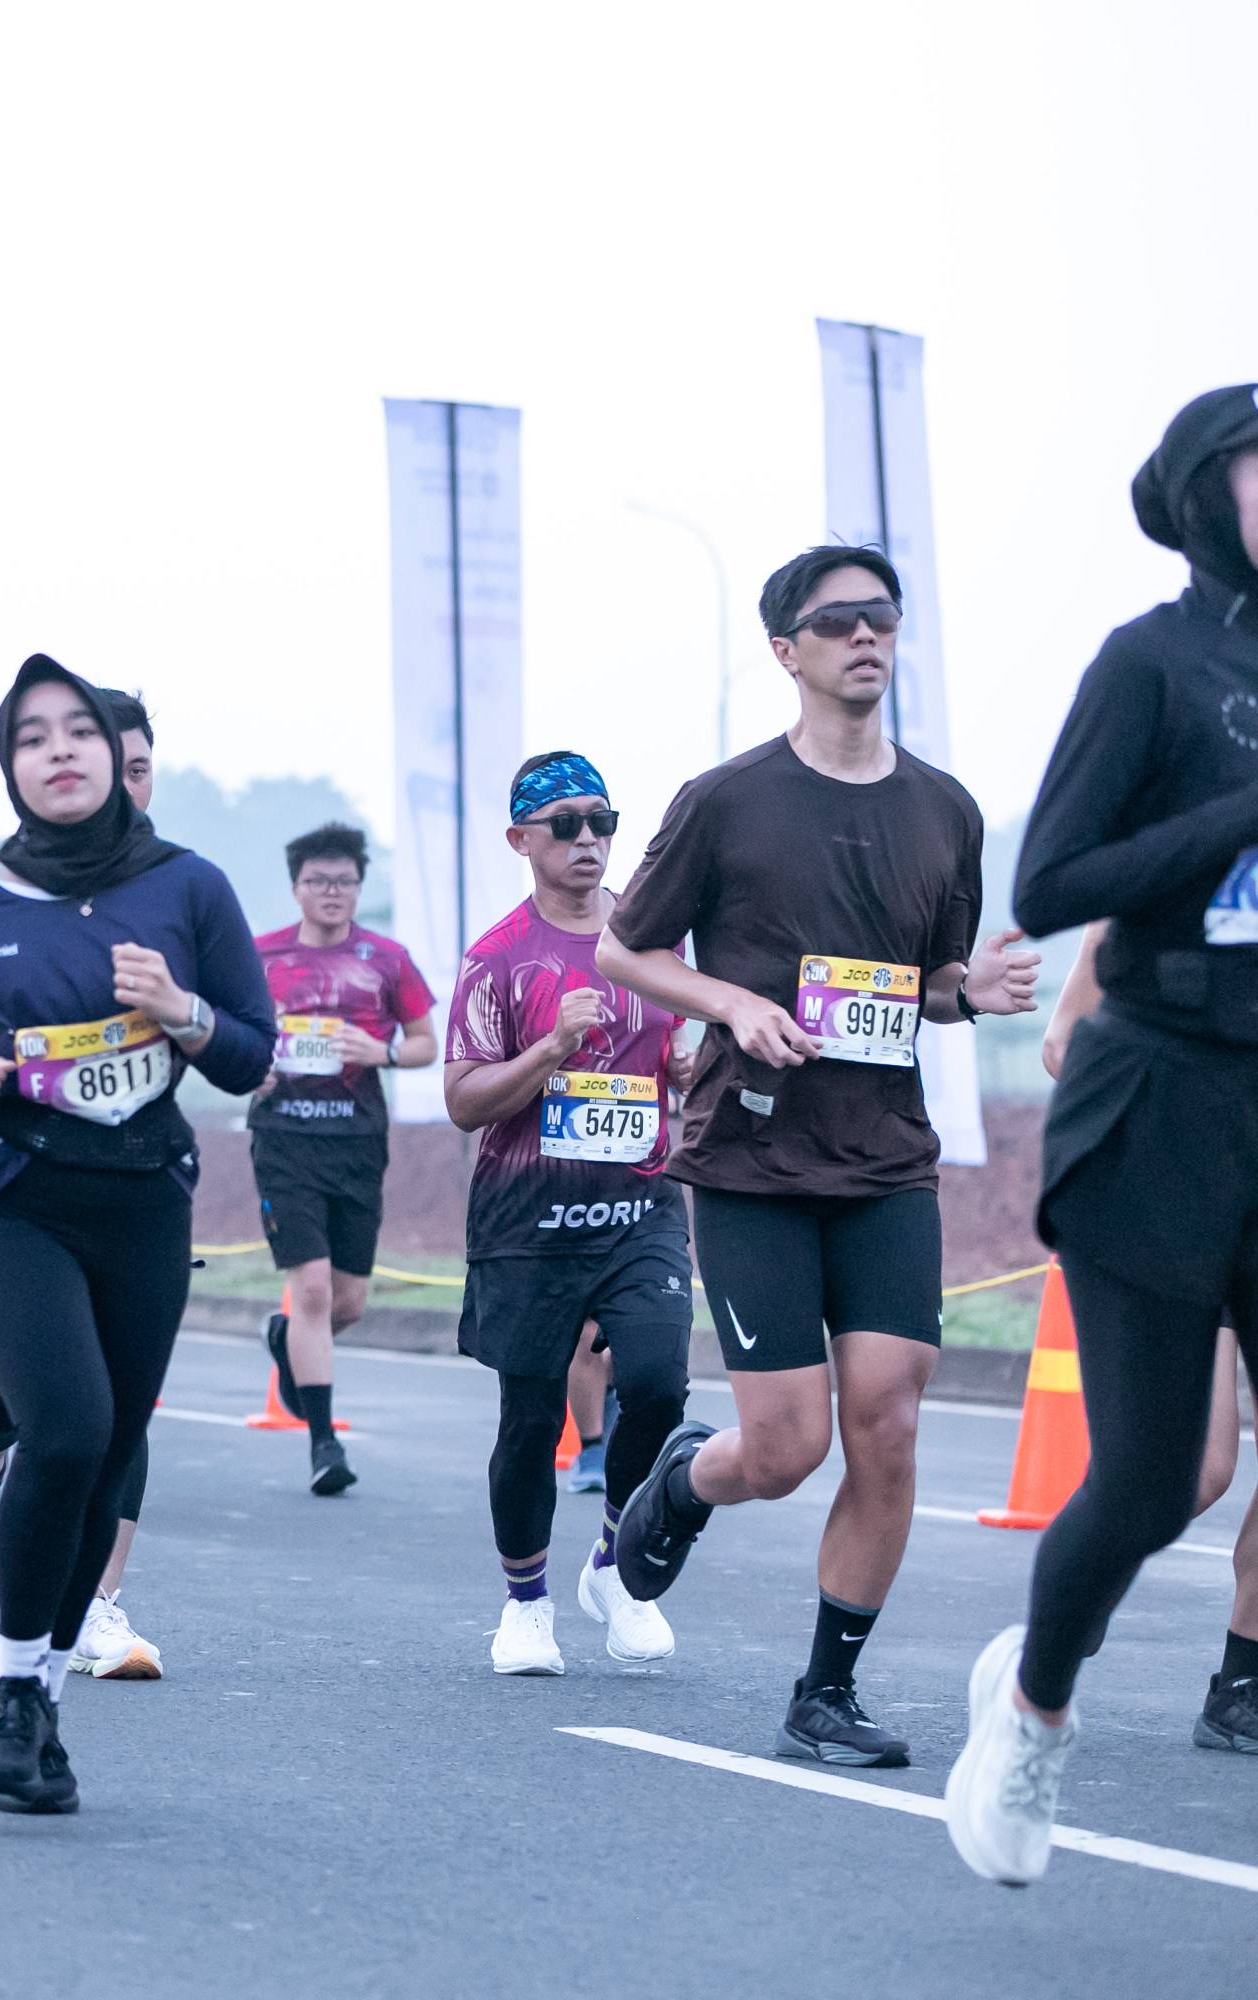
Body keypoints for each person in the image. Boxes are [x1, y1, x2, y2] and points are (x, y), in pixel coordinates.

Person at [599, 543, 1037, 1770]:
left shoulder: (944, 809)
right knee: (785, 1448)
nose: (865, 637)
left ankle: (826, 1691)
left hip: (886, 1156)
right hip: (754, 1157)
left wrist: (972, 989)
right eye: (838, 620)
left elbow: (928, 979)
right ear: (786, 649)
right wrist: (732, 1004)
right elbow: (626, 949)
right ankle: (686, 1480)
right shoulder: (727, 798)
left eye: (881, 617)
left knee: (887, 1420)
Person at [945, 391, 1258, 1883]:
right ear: (1204, 494)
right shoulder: (1152, 663)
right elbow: (1054, 878)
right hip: (1161, 1098)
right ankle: (1034, 1709)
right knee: (1143, 1473)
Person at [0, 655, 273, 1813]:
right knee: (71, 1423)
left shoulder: (189, 888)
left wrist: (182, 1010)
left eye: (78, 731)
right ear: (10, 767)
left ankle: (42, 1701)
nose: (58, 749)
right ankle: (9, 1690)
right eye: (31, 736)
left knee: (105, 1446)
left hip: (141, 1196)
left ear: (115, 756)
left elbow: (250, 1054)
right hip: (8, 1193)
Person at [443, 753, 694, 1676]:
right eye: (566, 825)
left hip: (642, 1205)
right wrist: (551, 1047)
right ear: (522, 840)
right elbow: (464, 1100)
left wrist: (688, 1070)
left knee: (658, 1385)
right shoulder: (498, 957)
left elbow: (678, 1055)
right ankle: (525, 1604)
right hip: (529, 1214)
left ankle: (614, 1566)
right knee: (529, 1418)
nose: (588, 840)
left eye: (603, 822)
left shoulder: (651, 939)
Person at [1040, 921, 1258, 1756]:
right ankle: (1078, 1595)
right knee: (1194, 1469)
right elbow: (1064, 1042)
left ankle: (1242, 1683)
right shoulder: (1169, 880)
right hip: (1188, 1192)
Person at [250, 821, 437, 1496]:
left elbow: (425, 1042)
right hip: (284, 1141)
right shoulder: (260, 956)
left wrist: (380, 1052)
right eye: (318, 881)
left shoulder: (387, 959)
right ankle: (324, 1444)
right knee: (312, 1289)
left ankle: (289, 1342)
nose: (332, 892)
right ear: (296, 887)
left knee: (348, 1303)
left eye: (344, 881)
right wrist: (250, 1069)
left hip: (357, 1142)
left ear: (359, 887)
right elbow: (230, 1036)